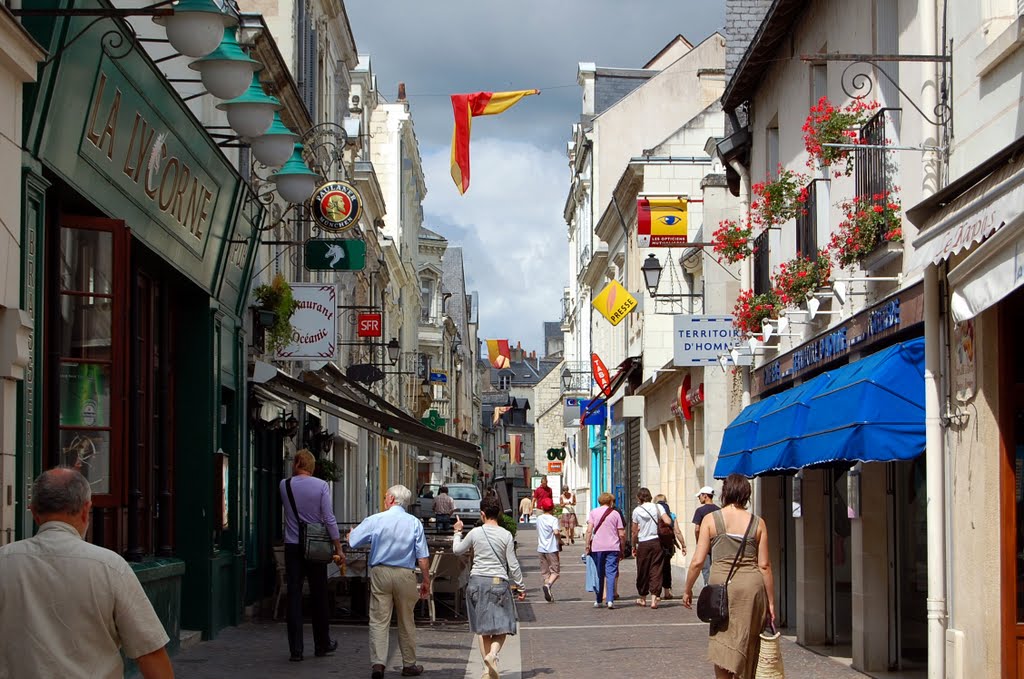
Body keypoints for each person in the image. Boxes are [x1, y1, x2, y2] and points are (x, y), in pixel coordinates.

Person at [0, 468, 174, 679]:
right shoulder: (110, 567)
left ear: (34, 512)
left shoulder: (4, 560)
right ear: (86, 510)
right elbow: (150, 653)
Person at [684, 474, 775, 679]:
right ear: (746, 495)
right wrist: (770, 602)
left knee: (722, 643)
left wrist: (688, 589)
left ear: (725, 493)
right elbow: (765, 565)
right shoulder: (758, 523)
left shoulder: (711, 519)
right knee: (750, 642)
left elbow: (698, 560)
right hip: (752, 590)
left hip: (721, 589)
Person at [348, 485, 430, 679]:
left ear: (392, 499)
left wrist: (350, 534)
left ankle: (378, 664)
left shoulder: (376, 519)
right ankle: (409, 664)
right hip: (405, 573)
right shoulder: (414, 523)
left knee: (379, 620)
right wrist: (426, 579)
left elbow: (353, 541)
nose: (384, 500)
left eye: (385, 497)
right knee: (406, 619)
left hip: (381, 572)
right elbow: (423, 557)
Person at [280, 449, 344, 662]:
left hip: (292, 546)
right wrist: (338, 546)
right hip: (315, 546)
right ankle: (322, 644)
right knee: (319, 595)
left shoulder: (284, 485)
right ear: (312, 465)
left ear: (296, 463)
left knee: (294, 596)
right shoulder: (321, 486)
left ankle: (295, 650)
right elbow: (328, 518)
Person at [452, 495, 526, 679]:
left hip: (477, 582)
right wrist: (520, 585)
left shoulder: (475, 533)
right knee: (504, 627)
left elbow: (457, 550)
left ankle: (487, 669)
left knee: (483, 629)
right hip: (498, 583)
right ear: (499, 514)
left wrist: (457, 531)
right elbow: (513, 564)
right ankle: (492, 656)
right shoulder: (506, 534)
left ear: (482, 514)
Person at [631, 486, 672, 609]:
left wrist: (634, 545)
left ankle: (643, 598)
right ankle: (654, 599)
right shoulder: (657, 507)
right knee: (656, 569)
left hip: (643, 543)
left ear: (639, 498)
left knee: (642, 570)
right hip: (657, 542)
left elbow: (634, 532)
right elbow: (668, 521)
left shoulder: (637, 511)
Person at [585, 492, 625, 609]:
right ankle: (610, 600)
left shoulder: (593, 513)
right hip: (613, 546)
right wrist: (622, 547)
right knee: (611, 573)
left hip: (597, 547)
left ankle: (598, 600)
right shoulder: (615, 514)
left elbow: (589, 531)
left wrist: (587, 545)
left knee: (599, 573)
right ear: (611, 501)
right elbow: (621, 534)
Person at [654, 493, 687, 599]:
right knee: (666, 567)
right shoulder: (671, 515)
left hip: (656, 543)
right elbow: (677, 531)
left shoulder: (653, 514)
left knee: (656, 568)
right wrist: (683, 544)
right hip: (668, 545)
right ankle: (667, 592)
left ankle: (656, 594)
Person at [692, 485, 721, 587]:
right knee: (717, 568)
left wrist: (698, 542)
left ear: (705, 496)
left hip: (705, 544)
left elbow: (697, 529)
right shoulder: (719, 510)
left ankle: (708, 589)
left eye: (699, 496)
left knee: (706, 570)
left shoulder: (700, 511)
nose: (698, 498)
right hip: (717, 543)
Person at [535, 497, 561, 602]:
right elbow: (556, 532)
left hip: (541, 548)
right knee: (555, 571)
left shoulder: (539, 518)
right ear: (552, 508)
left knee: (545, 572)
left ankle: (548, 591)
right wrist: (559, 540)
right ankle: (548, 585)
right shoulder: (553, 519)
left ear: (542, 507)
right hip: (552, 548)